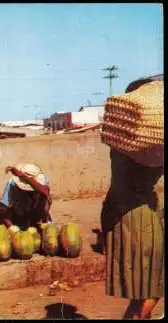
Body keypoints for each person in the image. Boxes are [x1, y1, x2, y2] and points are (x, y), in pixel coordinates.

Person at [100, 78, 164, 319]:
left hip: (121, 217)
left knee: (141, 291)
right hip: (144, 218)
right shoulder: (155, 150)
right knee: (152, 287)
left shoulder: (119, 146)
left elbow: (115, 187)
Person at [0, 163, 52, 234]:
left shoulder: (42, 181)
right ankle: (16, 224)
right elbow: (3, 209)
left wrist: (24, 177)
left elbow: (45, 192)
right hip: (19, 211)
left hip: (36, 212)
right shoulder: (12, 183)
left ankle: (39, 223)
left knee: (45, 197)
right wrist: (13, 230)